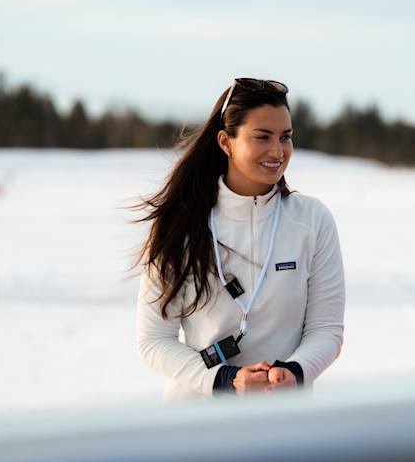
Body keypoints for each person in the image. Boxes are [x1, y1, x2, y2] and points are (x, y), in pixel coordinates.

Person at [133, 78, 344, 398]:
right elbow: (153, 341)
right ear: (225, 142)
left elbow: (326, 330)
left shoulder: (312, 220)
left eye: (285, 137)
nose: (277, 151)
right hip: (196, 430)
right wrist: (225, 379)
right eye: (262, 137)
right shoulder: (179, 224)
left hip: (284, 424)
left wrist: (295, 372)